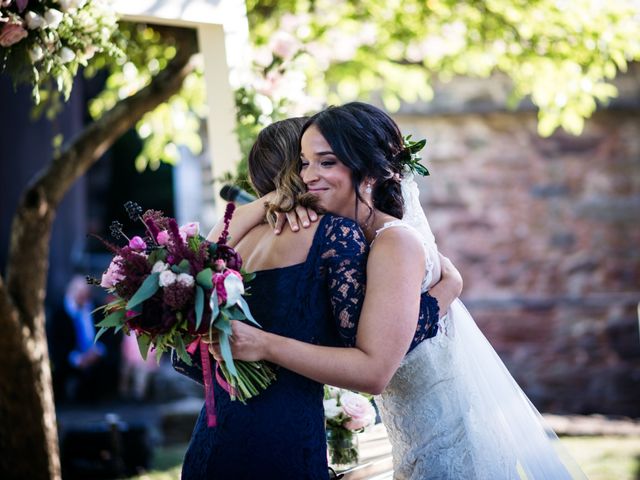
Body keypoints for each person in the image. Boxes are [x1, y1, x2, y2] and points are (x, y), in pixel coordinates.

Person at [212, 102, 586, 479]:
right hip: (408, 437)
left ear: (371, 172)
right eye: (304, 164)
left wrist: (264, 344)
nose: (307, 177)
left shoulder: (393, 243)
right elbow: (205, 262)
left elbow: (374, 368)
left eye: (326, 162)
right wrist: (259, 207)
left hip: (447, 443)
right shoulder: (358, 242)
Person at [172, 117, 463, 479]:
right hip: (283, 445)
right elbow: (366, 352)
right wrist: (439, 297)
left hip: (209, 444)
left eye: (326, 160)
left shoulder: (232, 244)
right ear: (298, 166)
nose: (315, 173)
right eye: (309, 161)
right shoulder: (336, 235)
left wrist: (252, 209)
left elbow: (184, 358)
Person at [48, 275, 120, 403]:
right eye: (79, 294)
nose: (82, 298)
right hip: (70, 359)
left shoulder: (98, 309)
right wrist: (76, 359)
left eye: (85, 294)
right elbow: (55, 343)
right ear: (70, 292)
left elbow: (109, 335)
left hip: (95, 357)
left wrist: (98, 351)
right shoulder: (59, 313)